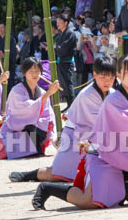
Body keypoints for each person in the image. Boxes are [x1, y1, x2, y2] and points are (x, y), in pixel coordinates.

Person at [31, 55, 128, 210]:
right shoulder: (112, 100)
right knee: (90, 201)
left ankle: (125, 191)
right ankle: (47, 188)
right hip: (104, 156)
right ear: (119, 74)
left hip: (127, 157)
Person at [10, 55, 116, 183]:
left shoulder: (112, 93)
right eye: (103, 77)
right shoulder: (87, 94)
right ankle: (26, 175)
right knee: (58, 174)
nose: (107, 82)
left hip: (93, 137)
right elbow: (100, 122)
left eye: (111, 78)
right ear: (94, 74)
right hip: (75, 136)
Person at [0, 57, 61, 160]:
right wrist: (48, 94)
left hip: (34, 130)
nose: (34, 74)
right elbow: (26, 109)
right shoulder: (17, 90)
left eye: (37, 71)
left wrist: (52, 136)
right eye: (31, 71)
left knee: (39, 133)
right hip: (16, 129)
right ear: (24, 73)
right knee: (2, 153)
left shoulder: (41, 92)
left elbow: (48, 115)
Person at [52, 15, 78, 106]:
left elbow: (64, 48)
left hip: (67, 62)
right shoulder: (61, 34)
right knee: (63, 84)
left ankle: (72, 105)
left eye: (60, 21)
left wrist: (55, 47)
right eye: (57, 21)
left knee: (68, 84)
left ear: (66, 23)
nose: (57, 23)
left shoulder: (70, 33)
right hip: (61, 61)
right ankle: (68, 104)